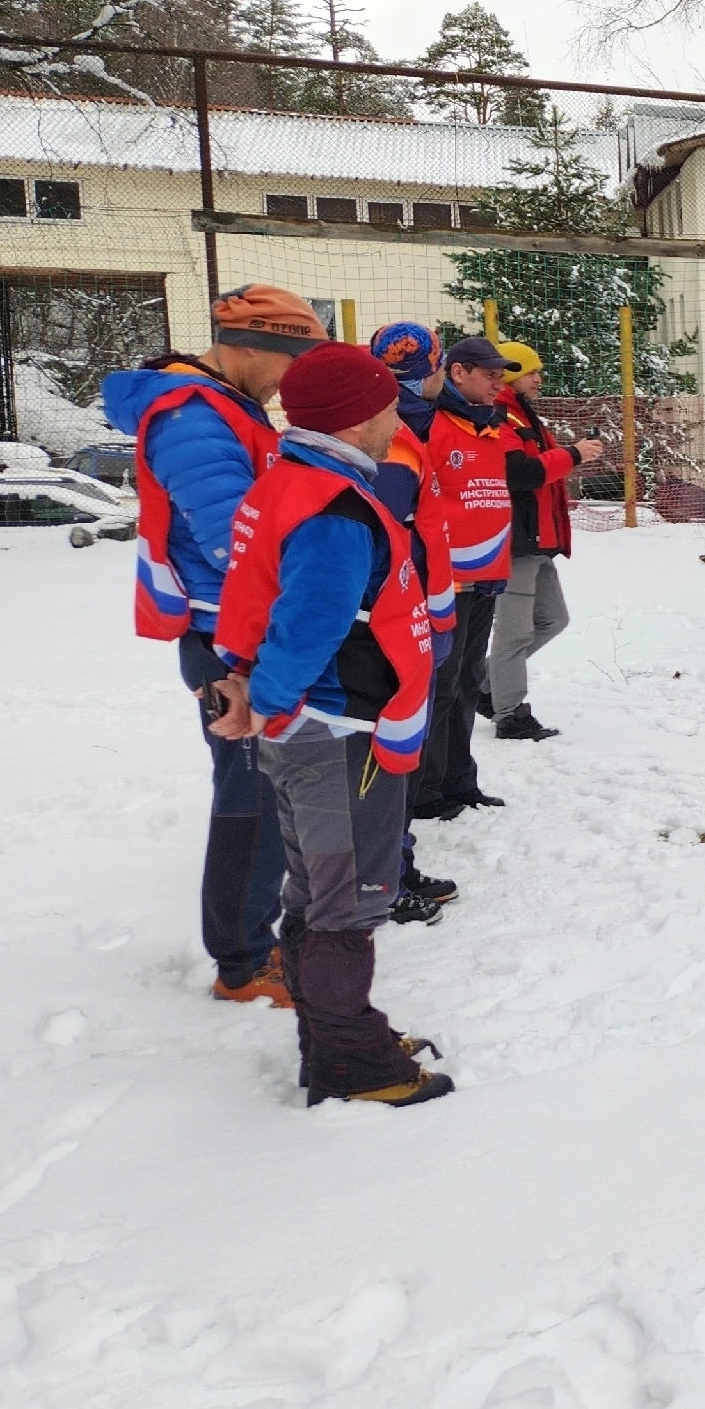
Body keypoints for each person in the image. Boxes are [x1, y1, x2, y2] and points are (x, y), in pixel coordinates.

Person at [204, 341, 453, 1109]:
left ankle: (335, 1033)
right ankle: (352, 1061)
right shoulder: (336, 510)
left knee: (316, 894)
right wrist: (269, 704)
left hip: (312, 727)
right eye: (386, 406)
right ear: (358, 418)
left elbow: (260, 598)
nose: (395, 418)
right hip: (338, 734)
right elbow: (307, 626)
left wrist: (252, 692)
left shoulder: (292, 482)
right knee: (347, 902)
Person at [101, 284, 326, 1006]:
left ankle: (251, 935)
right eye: (291, 363)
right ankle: (241, 959)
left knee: (264, 784)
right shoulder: (194, 416)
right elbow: (238, 538)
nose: (293, 382)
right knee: (251, 793)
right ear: (251, 347)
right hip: (224, 632)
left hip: (238, 623)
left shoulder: (227, 406)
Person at [366, 322, 461, 924]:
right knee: (391, 748)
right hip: (401, 618)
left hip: (421, 608)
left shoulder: (411, 425)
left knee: (404, 744)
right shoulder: (394, 443)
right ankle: (383, 877)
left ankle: (393, 861)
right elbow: (387, 543)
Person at [414, 337, 520, 822]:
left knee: (467, 681)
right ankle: (427, 790)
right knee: (441, 684)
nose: (500, 382)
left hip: (487, 576)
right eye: (490, 373)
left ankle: (460, 780)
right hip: (447, 581)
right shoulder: (432, 424)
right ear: (458, 373)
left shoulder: (491, 429)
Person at [491, 341, 604, 733]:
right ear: (509, 374)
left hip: (539, 540)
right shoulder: (499, 415)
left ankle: (489, 688)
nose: (538, 379)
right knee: (514, 632)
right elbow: (520, 472)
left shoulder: (523, 415)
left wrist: (571, 456)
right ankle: (509, 713)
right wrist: (572, 454)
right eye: (531, 372)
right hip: (518, 541)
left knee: (553, 619)